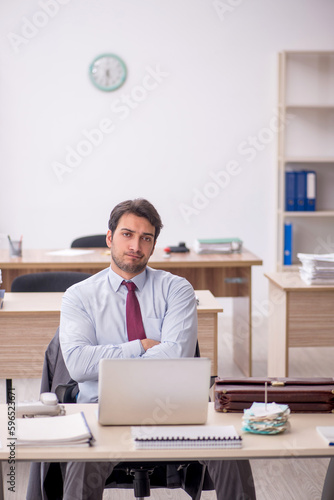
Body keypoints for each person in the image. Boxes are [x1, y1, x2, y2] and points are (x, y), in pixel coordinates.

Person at [59, 198, 256, 500]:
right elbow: (77, 364)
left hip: (172, 406)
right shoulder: (79, 296)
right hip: (102, 409)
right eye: (127, 234)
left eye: (145, 238)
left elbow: (175, 357)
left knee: (230, 449)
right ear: (110, 237)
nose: (136, 245)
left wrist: (108, 359)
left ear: (153, 246)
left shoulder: (176, 289)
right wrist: (140, 346)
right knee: (81, 465)